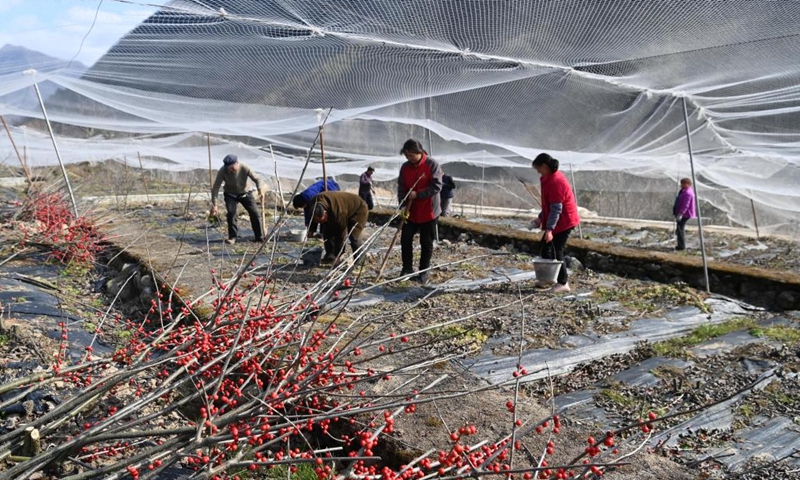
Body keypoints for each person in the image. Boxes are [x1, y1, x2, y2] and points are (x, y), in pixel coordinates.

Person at [527, 153, 580, 293]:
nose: (538, 171)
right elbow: (548, 206)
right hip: (558, 220)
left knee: (557, 250)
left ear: (545, 166)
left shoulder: (557, 182)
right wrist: (540, 218)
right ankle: (547, 278)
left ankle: (563, 283)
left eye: (539, 168)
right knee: (545, 248)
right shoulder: (548, 179)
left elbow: (556, 209)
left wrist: (549, 229)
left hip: (565, 220)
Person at [397, 139, 443, 284]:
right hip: (411, 211)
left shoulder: (432, 164)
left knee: (426, 242)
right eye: (406, 156)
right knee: (405, 238)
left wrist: (418, 194)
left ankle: (423, 271)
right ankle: (407, 268)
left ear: (419, 152)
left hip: (428, 211)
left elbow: (437, 186)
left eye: (411, 155)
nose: (409, 158)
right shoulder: (405, 167)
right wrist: (403, 204)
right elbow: (401, 187)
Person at [210, 154, 265, 245]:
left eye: (232, 167)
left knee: (255, 213)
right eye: (228, 168)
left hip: (245, 193)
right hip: (230, 194)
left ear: (237, 163)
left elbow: (257, 179)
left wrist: (260, 190)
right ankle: (232, 237)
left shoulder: (244, 167)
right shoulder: (223, 171)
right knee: (232, 214)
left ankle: (259, 236)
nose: (230, 169)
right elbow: (216, 187)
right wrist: (215, 204)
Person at [308, 191, 368, 265]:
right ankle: (330, 256)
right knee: (327, 231)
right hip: (343, 207)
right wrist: (311, 230)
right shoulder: (314, 204)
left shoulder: (338, 213)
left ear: (325, 213)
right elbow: (312, 218)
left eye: (322, 220)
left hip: (358, 209)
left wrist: (338, 255)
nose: (320, 222)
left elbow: (341, 234)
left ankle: (359, 262)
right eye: (318, 221)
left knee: (354, 237)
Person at [673, 178, 696, 251]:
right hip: (683, 213)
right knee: (679, 228)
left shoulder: (688, 193)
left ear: (687, 184)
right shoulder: (684, 191)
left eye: (683, 183)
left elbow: (686, 205)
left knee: (680, 229)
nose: (681, 185)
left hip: (685, 214)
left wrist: (681, 213)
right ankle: (680, 245)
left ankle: (681, 246)